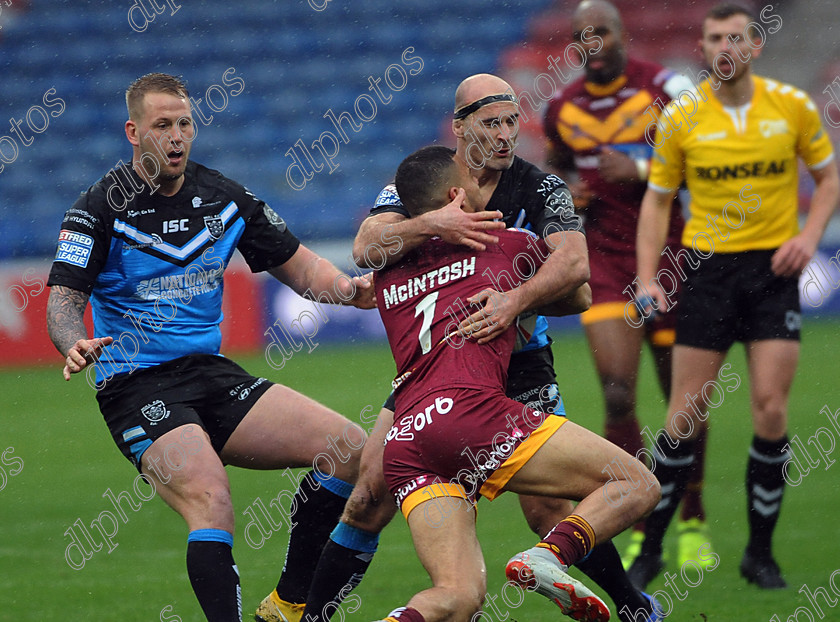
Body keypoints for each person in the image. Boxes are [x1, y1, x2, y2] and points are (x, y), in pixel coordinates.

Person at [296, 74, 664, 622]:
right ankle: (312, 614)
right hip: (441, 361)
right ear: (460, 125)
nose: (505, 135)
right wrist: (433, 223)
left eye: (513, 121)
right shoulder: (424, 183)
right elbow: (366, 245)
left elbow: (575, 269)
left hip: (519, 359)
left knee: (545, 508)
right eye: (491, 123)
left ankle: (630, 604)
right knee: (368, 496)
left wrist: (514, 302)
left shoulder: (539, 188)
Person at [45, 73, 375, 622]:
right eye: (162, 125)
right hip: (136, 382)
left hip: (211, 375)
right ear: (133, 132)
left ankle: (289, 606)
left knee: (348, 448)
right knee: (211, 499)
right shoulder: (99, 207)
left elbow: (299, 264)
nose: (177, 136)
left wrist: (345, 288)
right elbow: (61, 302)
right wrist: (73, 344)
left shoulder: (224, 196)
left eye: (185, 124)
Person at [369, 145, 659, 622]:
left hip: (407, 439)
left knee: (457, 597)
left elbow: (368, 251)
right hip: (472, 415)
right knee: (637, 483)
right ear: (456, 194)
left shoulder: (386, 270)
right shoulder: (506, 244)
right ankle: (548, 556)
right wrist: (517, 298)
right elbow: (580, 292)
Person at [628, 3, 839, 591]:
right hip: (708, 272)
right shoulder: (682, 117)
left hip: (773, 271)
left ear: (755, 46)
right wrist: (649, 279)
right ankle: (650, 548)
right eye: (715, 37)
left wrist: (808, 236)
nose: (726, 47)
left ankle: (760, 555)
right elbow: (657, 201)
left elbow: (829, 180)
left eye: (736, 37)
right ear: (703, 48)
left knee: (771, 409)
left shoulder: (791, 107)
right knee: (684, 414)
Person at [543, 0, 712, 570]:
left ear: (621, 34)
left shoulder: (664, 86)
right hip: (605, 262)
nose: (591, 42)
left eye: (601, 31)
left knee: (681, 400)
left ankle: (691, 517)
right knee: (617, 393)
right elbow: (557, 172)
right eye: (580, 35)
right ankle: (640, 522)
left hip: (672, 255)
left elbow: (708, 158)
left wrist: (640, 170)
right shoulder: (562, 107)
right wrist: (571, 195)